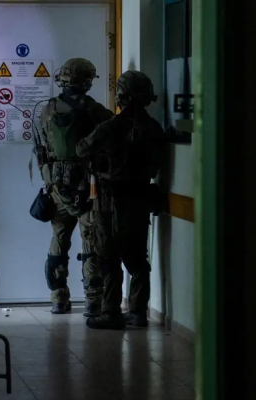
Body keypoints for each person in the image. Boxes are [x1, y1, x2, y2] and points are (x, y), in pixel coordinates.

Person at [75, 71, 168, 330]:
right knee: (138, 260)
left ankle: (111, 313)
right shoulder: (154, 128)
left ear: (122, 95)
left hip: (109, 201)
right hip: (139, 200)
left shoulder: (110, 127)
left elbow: (81, 149)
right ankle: (137, 312)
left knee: (109, 259)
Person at [36, 58, 114, 315]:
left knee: (59, 240)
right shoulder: (95, 110)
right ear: (87, 81)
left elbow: (43, 147)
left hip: (57, 186)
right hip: (88, 188)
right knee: (90, 241)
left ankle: (58, 297)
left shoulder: (47, 109)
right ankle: (93, 300)